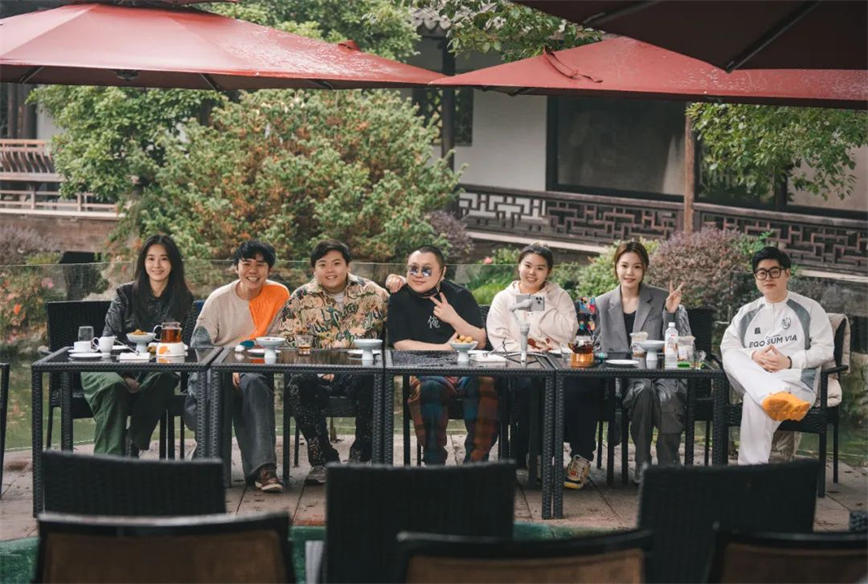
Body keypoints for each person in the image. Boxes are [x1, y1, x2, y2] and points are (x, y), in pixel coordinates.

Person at [486, 243, 599, 489]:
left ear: (548, 271)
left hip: (559, 364)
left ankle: (581, 457)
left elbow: (568, 333)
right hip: (519, 367)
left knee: (583, 388)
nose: (532, 272)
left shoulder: (559, 296)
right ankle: (536, 453)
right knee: (531, 387)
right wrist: (530, 350)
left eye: (540, 268)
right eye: (528, 265)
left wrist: (541, 303)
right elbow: (498, 338)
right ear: (519, 265)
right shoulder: (504, 299)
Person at [280, 240, 388, 484]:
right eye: (323, 264)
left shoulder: (373, 293)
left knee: (375, 379)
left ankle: (361, 456)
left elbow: (400, 314)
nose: (330, 270)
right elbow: (288, 340)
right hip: (316, 370)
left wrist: (398, 282)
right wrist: (319, 366)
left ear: (348, 266)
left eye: (337, 263)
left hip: (357, 370)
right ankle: (323, 461)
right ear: (314, 269)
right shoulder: (300, 298)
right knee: (297, 384)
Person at [187, 240, 289, 493]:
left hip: (254, 367)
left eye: (260, 264)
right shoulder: (218, 299)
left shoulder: (279, 295)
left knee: (254, 383)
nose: (253, 270)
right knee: (218, 387)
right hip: (214, 369)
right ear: (236, 267)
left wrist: (242, 365)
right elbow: (200, 345)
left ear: (269, 269)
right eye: (246, 263)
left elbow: (280, 340)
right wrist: (228, 366)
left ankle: (264, 470)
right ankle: (211, 464)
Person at [82, 234, 193, 456]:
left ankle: (132, 441)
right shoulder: (125, 295)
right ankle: (107, 462)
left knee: (166, 378)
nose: (157, 265)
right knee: (114, 387)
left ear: (173, 263)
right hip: (108, 368)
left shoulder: (183, 300)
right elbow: (107, 341)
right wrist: (125, 375)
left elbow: (183, 349)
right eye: (151, 258)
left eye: (164, 258)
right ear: (143, 262)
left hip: (154, 372)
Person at [721, 246, 833, 464]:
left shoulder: (810, 308)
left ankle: (749, 476)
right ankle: (772, 393)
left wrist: (789, 361)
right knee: (730, 355)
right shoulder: (746, 313)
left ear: (787, 273)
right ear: (755, 277)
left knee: (754, 402)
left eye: (774, 271)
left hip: (796, 385)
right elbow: (728, 347)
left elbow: (825, 349)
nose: (768, 278)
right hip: (756, 382)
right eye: (762, 273)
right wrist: (753, 355)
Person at [387, 245, 496, 465]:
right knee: (429, 389)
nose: (418, 274)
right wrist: (445, 348)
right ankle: (434, 462)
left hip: (466, 368)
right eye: (413, 269)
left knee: (484, 384)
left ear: (442, 272)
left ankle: (475, 464)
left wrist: (453, 318)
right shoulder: (400, 298)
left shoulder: (460, 296)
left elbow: (481, 340)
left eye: (426, 270)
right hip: (426, 369)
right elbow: (400, 343)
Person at [593, 241, 690, 483]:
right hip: (620, 378)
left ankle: (668, 463)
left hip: (660, 373)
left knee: (667, 397)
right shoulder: (603, 302)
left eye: (636, 266)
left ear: (644, 269)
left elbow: (679, 343)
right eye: (624, 265)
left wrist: (671, 312)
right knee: (643, 391)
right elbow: (596, 346)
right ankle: (642, 461)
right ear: (616, 267)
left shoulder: (660, 297)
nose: (630, 272)